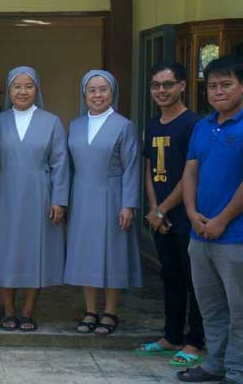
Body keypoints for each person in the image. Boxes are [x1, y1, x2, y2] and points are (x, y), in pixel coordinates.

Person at [177, 56, 243, 384]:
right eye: (212, 86)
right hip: (200, 234)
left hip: (239, 238)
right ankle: (214, 365)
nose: (218, 91)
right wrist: (191, 213)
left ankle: (239, 373)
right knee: (212, 309)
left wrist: (221, 220)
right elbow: (191, 170)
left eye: (226, 84)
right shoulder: (203, 127)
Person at [0, 66, 69, 332]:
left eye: (28, 86)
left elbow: (60, 163)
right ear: (9, 90)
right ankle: (8, 311)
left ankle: (28, 311)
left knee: (35, 251)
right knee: (5, 251)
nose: (22, 91)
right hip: (4, 192)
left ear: (37, 89)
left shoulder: (51, 121)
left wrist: (59, 199)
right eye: (17, 86)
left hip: (39, 194)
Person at [134, 62, 204, 366]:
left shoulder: (194, 124)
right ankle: (171, 335)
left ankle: (195, 341)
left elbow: (192, 173)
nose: (161, 91)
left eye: (168, 84)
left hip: (186, 215)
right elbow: (148, 168)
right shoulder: (152, 124)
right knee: (170, 277)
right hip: (159, 216)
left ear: (182, 86)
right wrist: (154, 209)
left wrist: (163, 209)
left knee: (194, 281)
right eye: (156, 86)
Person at [64, 69, 142, 336]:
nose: (97, 95)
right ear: (84, 95)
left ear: (112, 93)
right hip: (82, 196)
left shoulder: (124, 125)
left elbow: (132, 167)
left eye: (103, 90)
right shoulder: (75, 125)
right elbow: (69, 168)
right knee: (86, 253)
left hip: (113, 196)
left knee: (112, 254)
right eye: (92, 90)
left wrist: (128, 204)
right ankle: (90, 310)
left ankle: (110, 311)